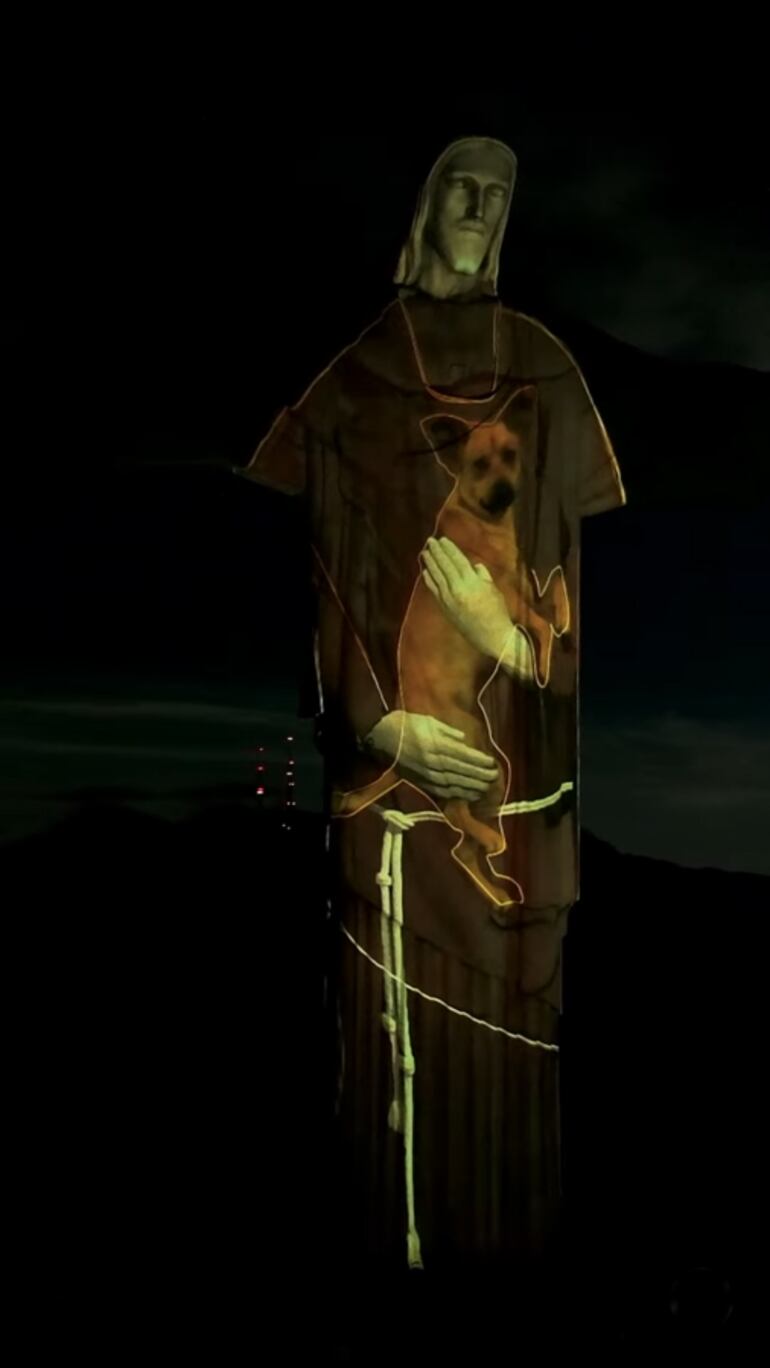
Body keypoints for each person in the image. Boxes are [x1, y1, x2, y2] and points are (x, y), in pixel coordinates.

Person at [236, 137, 626, 1286]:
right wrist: (377, 724)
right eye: (460, 183)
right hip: (396, 797)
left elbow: (561, 601)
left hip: (523, 804)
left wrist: (508, 643)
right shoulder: (354, 383)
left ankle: (510, 1268)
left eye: (498, 192)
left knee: (514, 1060)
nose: (478, 204)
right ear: (421, 202)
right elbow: (324, 576)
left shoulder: (546, 372)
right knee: (391, 1052)